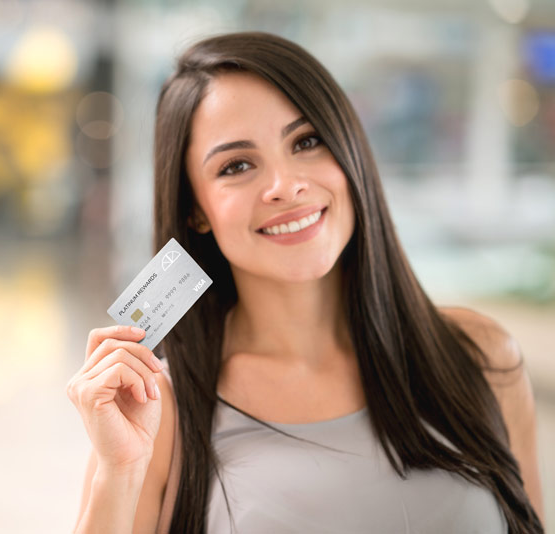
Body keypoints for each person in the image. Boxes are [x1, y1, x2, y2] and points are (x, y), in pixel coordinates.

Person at [66, 31, 545, 534]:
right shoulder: (158, 408)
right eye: (238, 165)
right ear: (196, 211)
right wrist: (118, 472)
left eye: (307, 141)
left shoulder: (481, 358)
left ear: (350, 151)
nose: (286, 186)